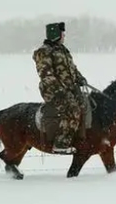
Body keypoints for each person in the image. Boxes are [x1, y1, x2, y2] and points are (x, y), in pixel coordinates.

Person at [32, 22, 88, 154]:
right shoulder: (43, 52)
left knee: (86, 105)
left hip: (69, 88)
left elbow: (71, 68)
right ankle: (61, 143)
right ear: (56, 35)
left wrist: (80, 78)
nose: (64, 37)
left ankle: (80, 138)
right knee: (72, 109)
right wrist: (59, 90)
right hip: (52, 90)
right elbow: (46, 75)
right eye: (62, 34)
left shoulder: (62, 49)